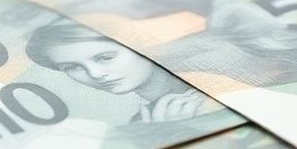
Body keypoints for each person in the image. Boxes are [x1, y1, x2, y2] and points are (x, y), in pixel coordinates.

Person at [25, 21, 214, 123]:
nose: (95, 74)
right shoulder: (143, 121)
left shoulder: (215, 84)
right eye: (72, 67)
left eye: (105, 57)